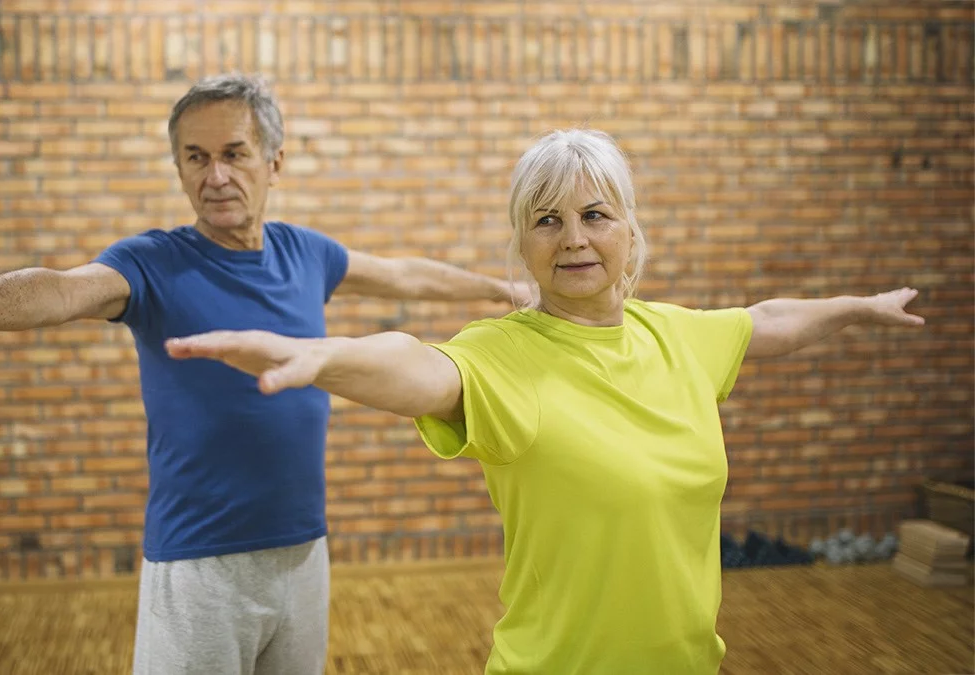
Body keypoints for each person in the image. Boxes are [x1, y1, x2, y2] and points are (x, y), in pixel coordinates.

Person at [163, 127, 927, 674]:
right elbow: (420, 367)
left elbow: (767, 320)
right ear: (523, 247)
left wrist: (857, 306)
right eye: (547, 220)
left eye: (595, 215)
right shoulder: (506, 353)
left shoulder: (678, 336)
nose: (574, 239)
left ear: (630, 231)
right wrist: (326, 354)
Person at [0, 74, 526, 675]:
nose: (215, 175)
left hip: (302, 550)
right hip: (199, 565)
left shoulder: (306, 253)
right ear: (178, 168)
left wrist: (500, 289)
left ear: (274, 161)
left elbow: (402, 272)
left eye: (233, 153)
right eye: (194, 158)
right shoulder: (151, 262)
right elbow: (61, 288)